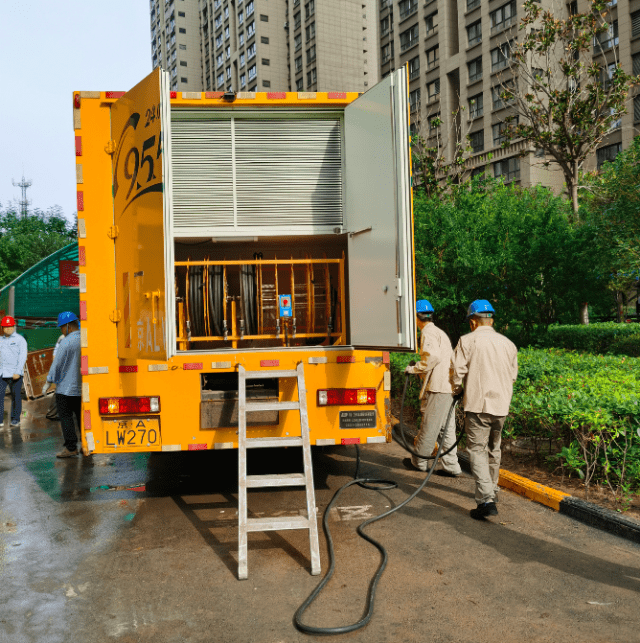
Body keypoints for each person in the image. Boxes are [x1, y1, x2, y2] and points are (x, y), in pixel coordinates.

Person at [451, 300, 518, 520]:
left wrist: (457, 390)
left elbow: (456, 373)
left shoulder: (467, 341)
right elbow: (513, 376)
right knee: (493, 449)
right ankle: (492, 492)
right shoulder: (508, 343)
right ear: (492, 320)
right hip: (501, 406)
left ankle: (487, 499)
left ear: (472, 322)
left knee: (477, 451)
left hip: (478, 405)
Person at [403, 300, 462, 477]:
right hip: (447, 386)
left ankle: (419, 462)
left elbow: (433, 357)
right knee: (446, 428)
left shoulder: (428, 333)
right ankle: (451, 465)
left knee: (429, 426)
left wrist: (413, 368)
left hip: (438, 388)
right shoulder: (439, 332)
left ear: (416, 317)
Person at [43, 312, 82, 458]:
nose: (61, 330)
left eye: (61, 327)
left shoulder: (65, 342)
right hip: (81, 388)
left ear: (67, 326)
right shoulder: (85, 338)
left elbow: (56, 364)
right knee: (81, 418)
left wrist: (48, 381)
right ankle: (86, 445)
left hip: (65, 389)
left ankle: (71, 447)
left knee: (66, 418)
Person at [0, 316, 28, 427]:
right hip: (2, 373)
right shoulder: (0, 340)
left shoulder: (20, 340)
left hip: (15, 373)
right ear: (2, 328)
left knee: (15, 396)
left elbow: (22, 356)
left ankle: (15, 419)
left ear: (14, 327)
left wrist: (18, 371)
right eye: (6, 327)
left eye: (10, 326)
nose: (8, 329)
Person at [45, 334, 65, 421]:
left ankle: (53, 413)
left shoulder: (64, 337)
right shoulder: (63, 338)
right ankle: (52, 413)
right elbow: (56, 355)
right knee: (60, 391)